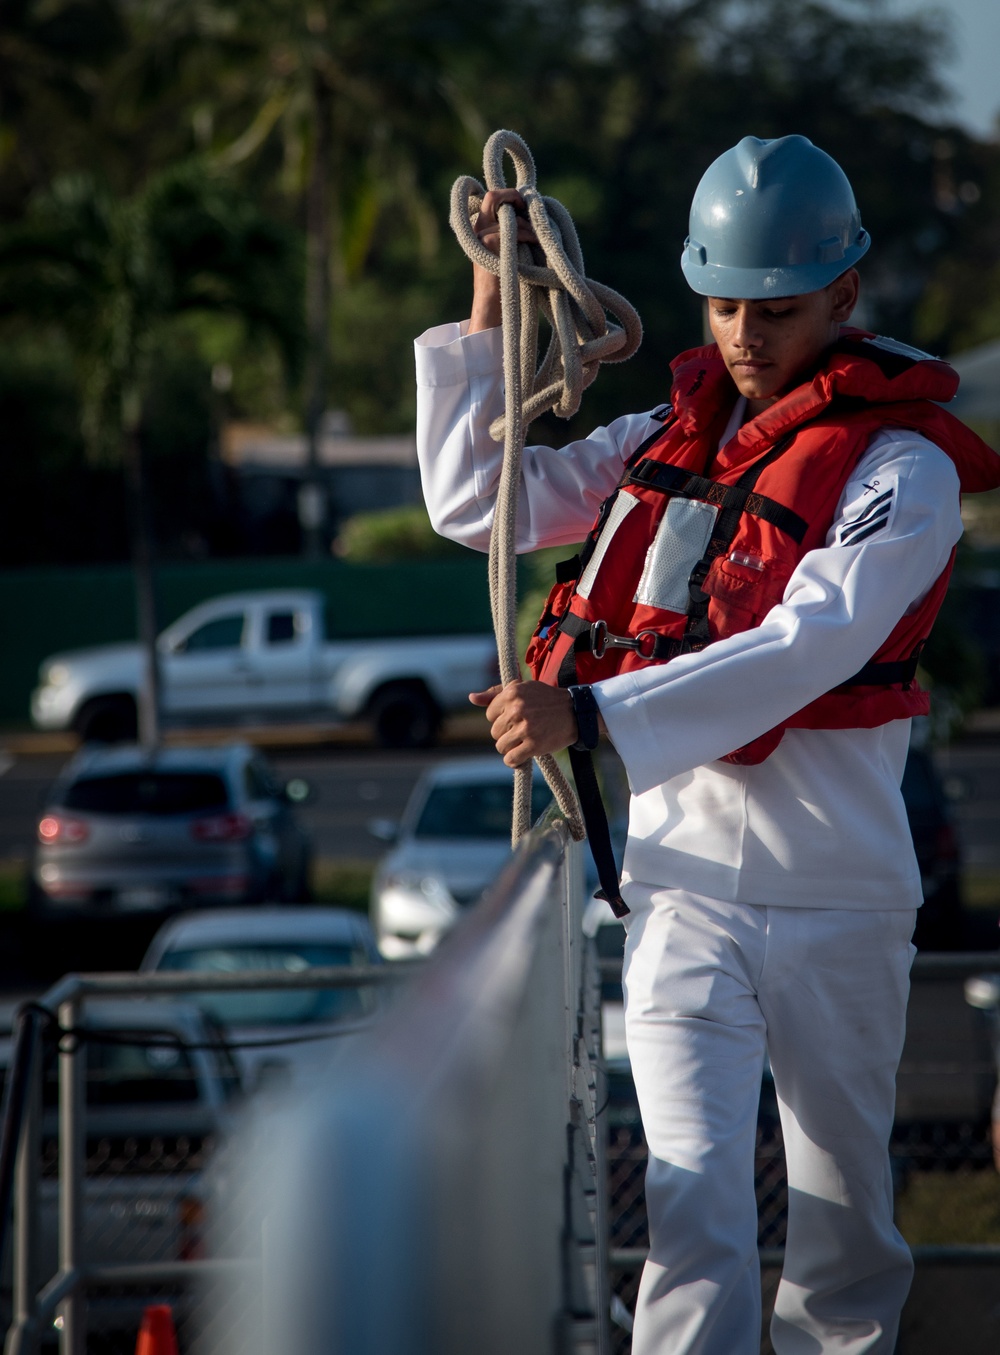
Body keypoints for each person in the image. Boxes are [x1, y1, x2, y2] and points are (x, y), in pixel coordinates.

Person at [414, 134, 1000, 1354]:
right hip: (678, 892)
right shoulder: (658, 445)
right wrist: (488, 308)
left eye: (776, 310)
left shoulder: (900, 469)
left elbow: (814, 637)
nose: (742, 335)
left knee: (842, 1232)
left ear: (845, 295)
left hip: (836, 896)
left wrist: (599, 715)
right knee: (688, 1213)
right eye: (722, 303)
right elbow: (482, 502)